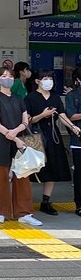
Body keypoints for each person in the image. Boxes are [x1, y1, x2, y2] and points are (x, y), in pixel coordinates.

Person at [0, 67, 42, 226]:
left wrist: (16, 133)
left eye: (10, 76)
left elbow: (25, 121)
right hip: (1, 140)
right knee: (0, 177)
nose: (8, 79)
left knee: (23, 176)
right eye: (4, 76)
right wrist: (12, 136)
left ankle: (24, 212)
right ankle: (0, 211)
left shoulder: (19, 98)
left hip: (19, 138)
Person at [25, 69, 76, 216]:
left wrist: (73, 127)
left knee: (53, 168)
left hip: (53, 135)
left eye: (50, 78)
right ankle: (25, 200)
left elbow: (62, 115)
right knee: (32, 169)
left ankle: (46, 201)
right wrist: (43, 115)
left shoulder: (55, 98)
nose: (48, 81)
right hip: (35, 135)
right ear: (37, 81)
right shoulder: (31, 98)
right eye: (45, 78)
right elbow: (28, 120)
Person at [65, 66, 81, 217]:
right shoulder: (72, 96)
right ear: (78, 80)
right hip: (78, 140)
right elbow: (71, 116)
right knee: (79, 173)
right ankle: (79, 204)